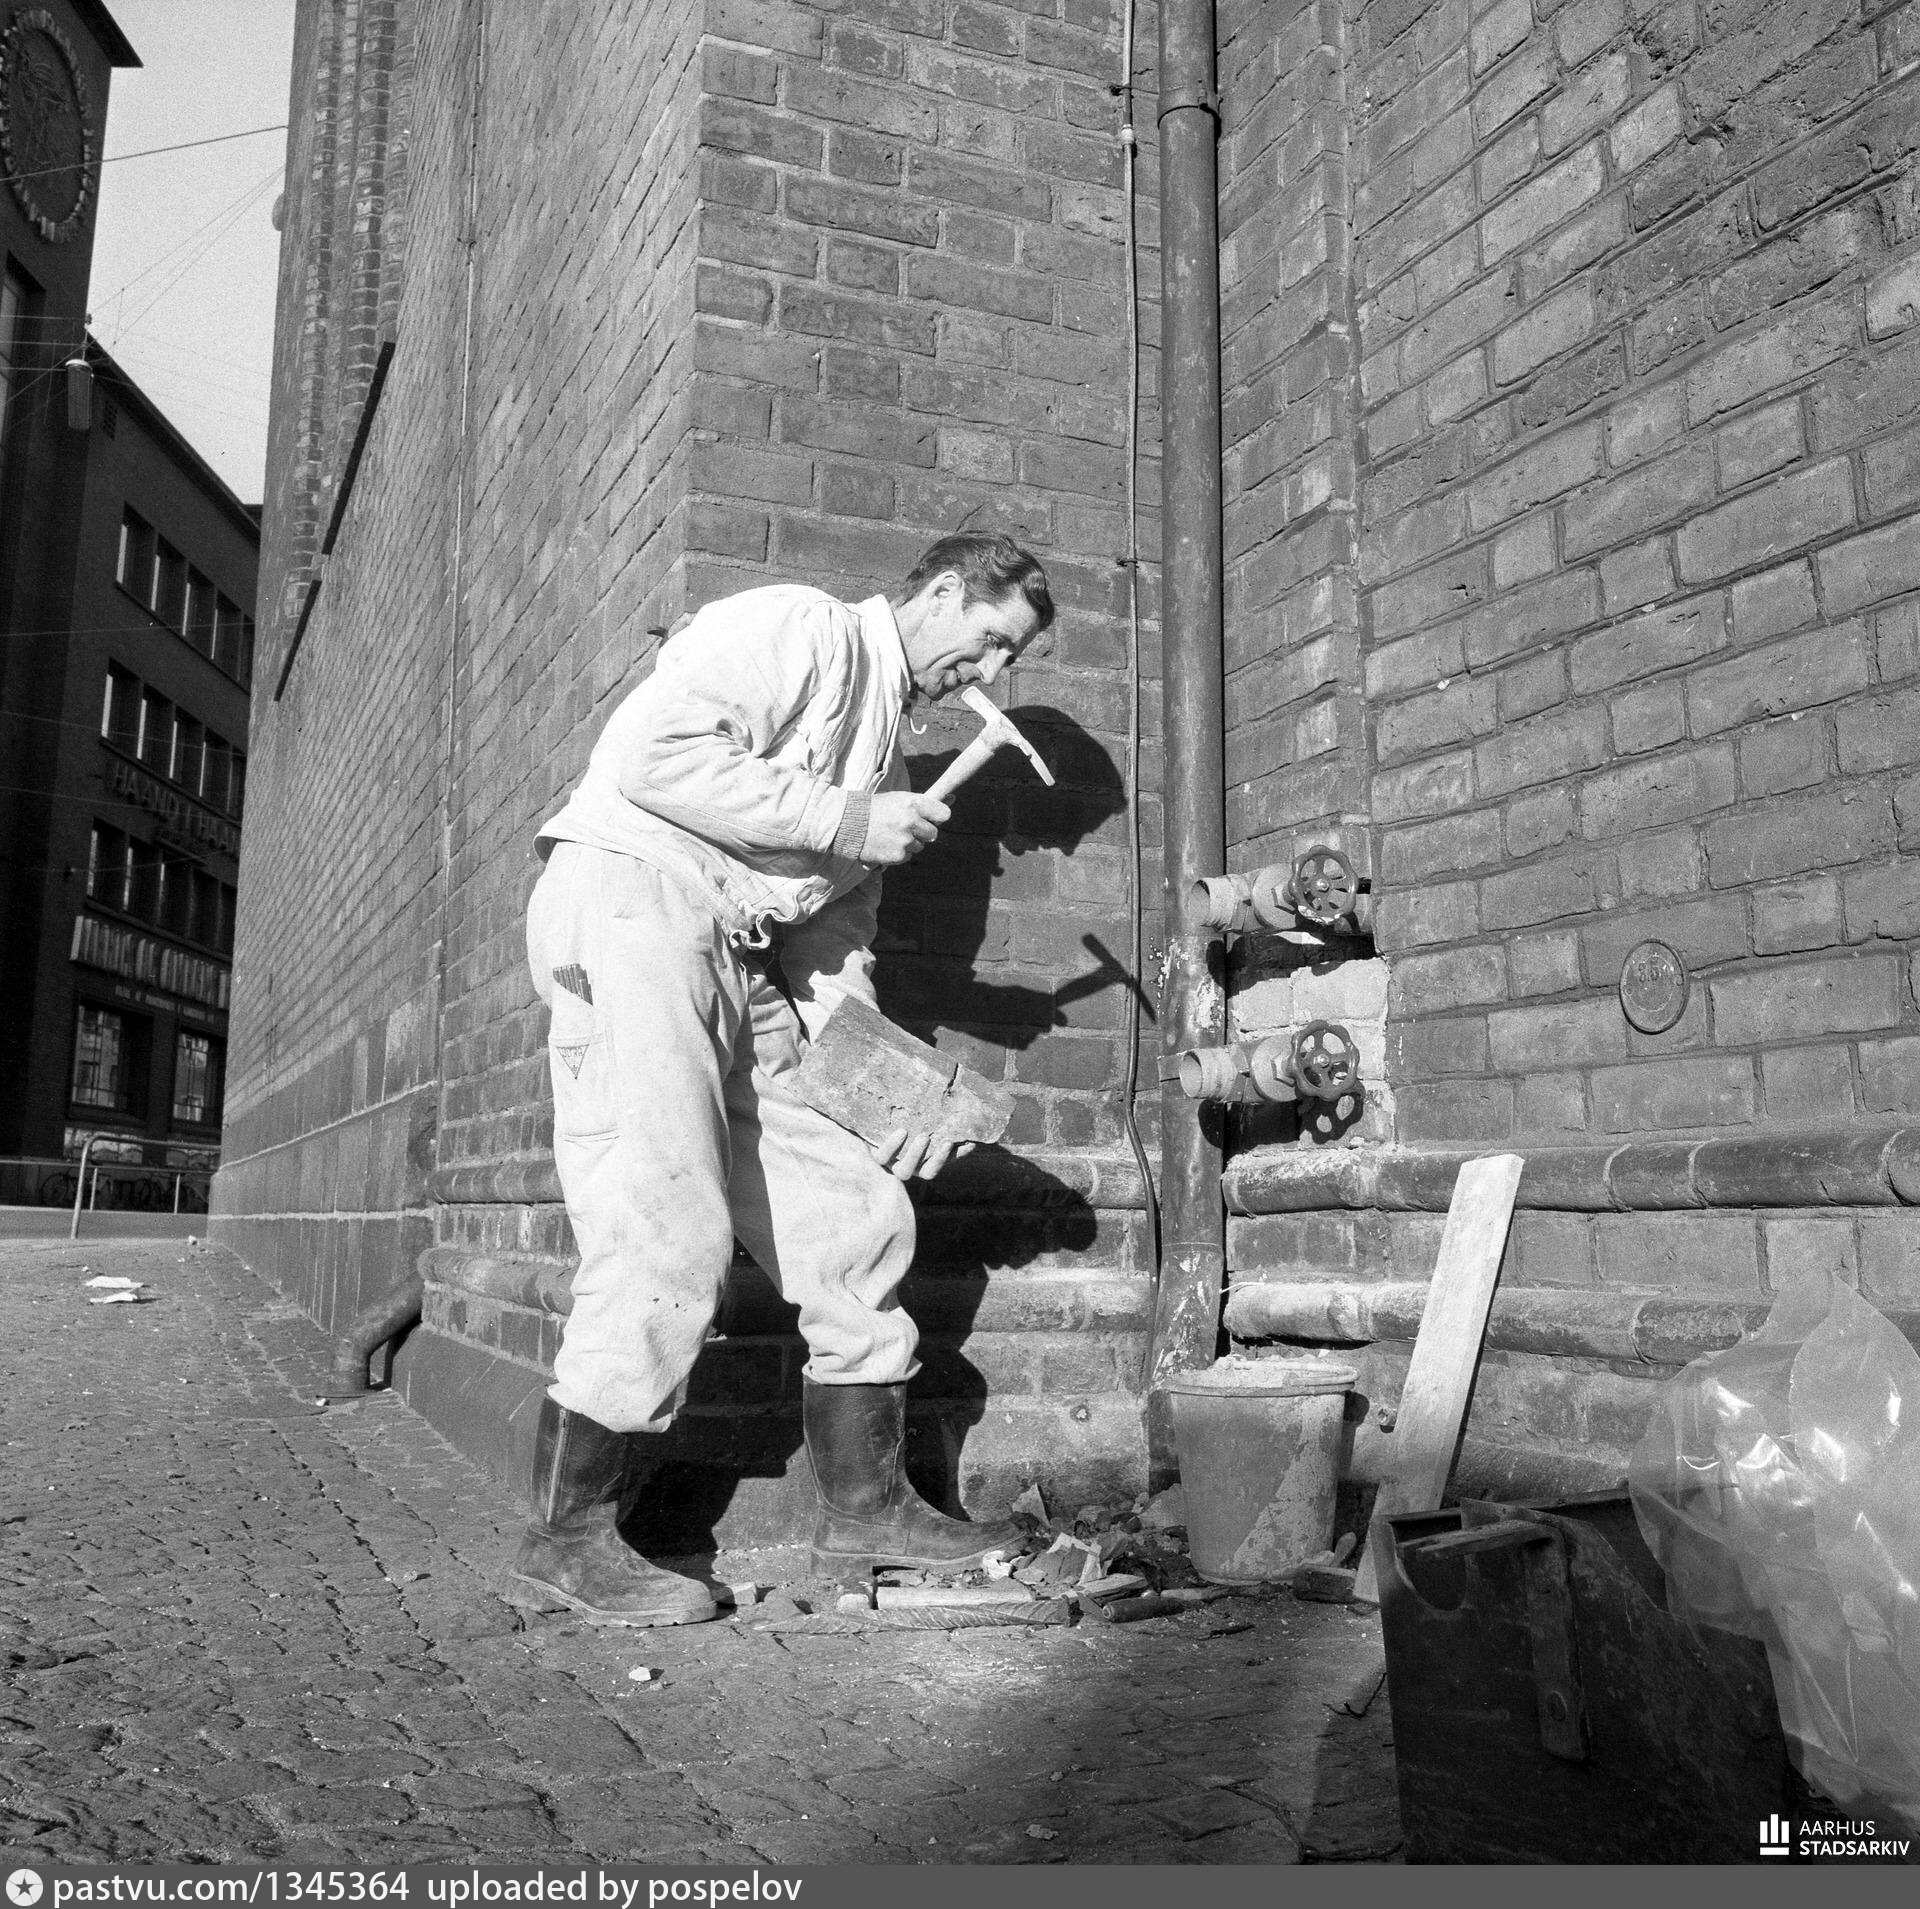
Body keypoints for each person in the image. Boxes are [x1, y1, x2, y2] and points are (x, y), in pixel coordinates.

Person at [509, 533, 1056, 1626]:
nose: (991, 673)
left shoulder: (886, 764)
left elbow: (831, 953)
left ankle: (865, 1506)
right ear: (944, 592)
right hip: (636, 902)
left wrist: (880, 1089)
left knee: (850, 1206)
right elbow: (653, 757)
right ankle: (566, 1536)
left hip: (742, 961)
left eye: (1013, 661)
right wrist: (848, 821)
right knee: (666, 1219)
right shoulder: (802, 629)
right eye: (991, 640)